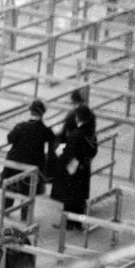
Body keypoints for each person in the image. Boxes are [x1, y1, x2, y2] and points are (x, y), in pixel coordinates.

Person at [0, 100, 57, 221]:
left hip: (14, 162)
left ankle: (6, 209)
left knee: (11, 186)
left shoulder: (21, 126)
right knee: (27, 191)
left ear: (30, 111)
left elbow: (10, 139)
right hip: (32, 164)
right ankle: (24, 215)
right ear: (42, 114)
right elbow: (52, 149)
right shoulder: (45, 130)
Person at [53, 89, 100, 232]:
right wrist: (84, 161)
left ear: (78, 118)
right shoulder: (90, 133)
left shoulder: (75, 135)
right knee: (80, 196)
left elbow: (68, 153)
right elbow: (93, 150)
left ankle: (67, 224)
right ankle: (78, 223)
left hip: (72, 168)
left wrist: (62, 153)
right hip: (84, 169)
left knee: (69, 196)